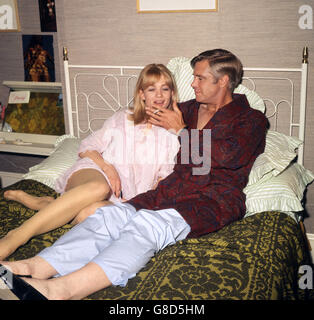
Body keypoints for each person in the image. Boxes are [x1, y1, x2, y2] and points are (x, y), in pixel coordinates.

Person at [0, 49, 268, 300]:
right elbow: (141, 117)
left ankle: (61, 289)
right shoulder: (187, 109)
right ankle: (36, 266)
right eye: (194, 77)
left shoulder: (251, 120)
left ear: (222, 82)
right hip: (168, 191)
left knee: (146, 226)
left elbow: (226, 156)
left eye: (200, 78)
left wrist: (181, 132)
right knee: (109, 216)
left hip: (212, 198)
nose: (193, 83)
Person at [0, 63, 180, 260]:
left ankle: (46, 204)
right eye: (152, 89)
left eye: (165, 89)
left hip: (125, 198)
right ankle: (15, 237)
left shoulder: (173, 134)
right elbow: (87, 146)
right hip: (95, 171)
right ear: (141, 93)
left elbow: (165, 179)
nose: (160, 96)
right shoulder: (123, 117)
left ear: (172, 93)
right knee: (98, 188)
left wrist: (139, 201)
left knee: (91, 212)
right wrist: (107, 168)